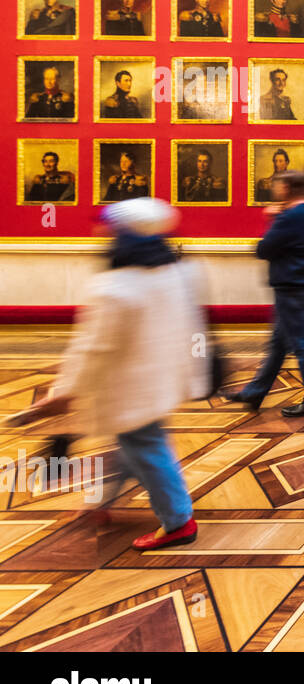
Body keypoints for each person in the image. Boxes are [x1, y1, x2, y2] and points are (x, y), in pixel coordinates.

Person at [19, 198, 209, 550]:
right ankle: (102, 503)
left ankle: (179, 521)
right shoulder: (176, 270)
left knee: (145, 448)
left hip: (130, 386)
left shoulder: (113, 287)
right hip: (161, 381)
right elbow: (192, 328)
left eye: (109, 226)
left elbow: (91, 350)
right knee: (133, 443)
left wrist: (62, 393)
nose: (101, 231)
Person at [224, 170, 304, 417]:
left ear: (285, 189)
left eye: (277, 186)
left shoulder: (289, 217)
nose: (274, 190)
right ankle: (255, 391)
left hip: (291, 286)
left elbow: (264, 249)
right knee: (278, 345)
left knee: (303, 343)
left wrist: (273, 219)